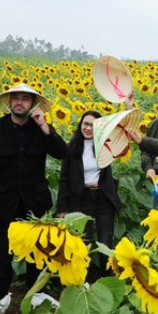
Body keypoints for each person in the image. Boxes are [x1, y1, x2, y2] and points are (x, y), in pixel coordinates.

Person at [0, 84, 66, 309]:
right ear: (9, 103)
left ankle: (36, 293)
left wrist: (45, 125)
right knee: (2, 252)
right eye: (15, 98)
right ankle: (0, 296)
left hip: (34, 201)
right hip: (2, 202)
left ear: (32, 104)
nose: (19, 102)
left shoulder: (41, 130)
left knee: (36, 250)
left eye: (25, 99)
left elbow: (62, 153)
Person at [56, 111, 121, 284]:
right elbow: (64, 179)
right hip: (81, 199)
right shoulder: (71, 148)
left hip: (102, 198)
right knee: (82, 241)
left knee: (105, 243)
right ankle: (81, 280)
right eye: (85, 124)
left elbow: (122, 135)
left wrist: (128, 106)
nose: (87, 128)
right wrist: (61, 209)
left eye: (92, 125)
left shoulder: (105, 146)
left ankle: (107, 281)